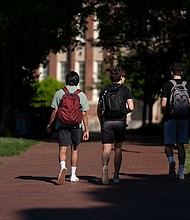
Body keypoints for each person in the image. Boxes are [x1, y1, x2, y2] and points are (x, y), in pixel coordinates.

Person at [47, 71, 89, 185]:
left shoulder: (59, 93)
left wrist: (50, 125)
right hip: (76, 125)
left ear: (66, 80)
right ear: (77, 81)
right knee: (74, 149)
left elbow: (54, 111)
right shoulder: (81, 95)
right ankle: (73, 175)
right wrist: (87, 129)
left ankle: (62, 167)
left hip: (62, 124)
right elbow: (84, 114)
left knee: (62, 149)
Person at [97, 66, 134, 184]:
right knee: (118, 148)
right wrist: (124, 112)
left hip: (106, 122)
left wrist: (101, 121)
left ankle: (104, 167)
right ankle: (116, 175)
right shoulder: (125, 90)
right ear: (121, 77)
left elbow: (99, 109)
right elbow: (131, 107)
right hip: (120, 122)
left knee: (106, 149)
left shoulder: (104, 90)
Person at [161, 63, 190, 180]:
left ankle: (171, 161)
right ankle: (181, 172)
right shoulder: (188, 85)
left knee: (168, 144)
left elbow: (163, 104)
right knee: (181, 145)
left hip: (170, 118)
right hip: (183, 118)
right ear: (182, 73)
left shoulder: (167, 84)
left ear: (172, 73)